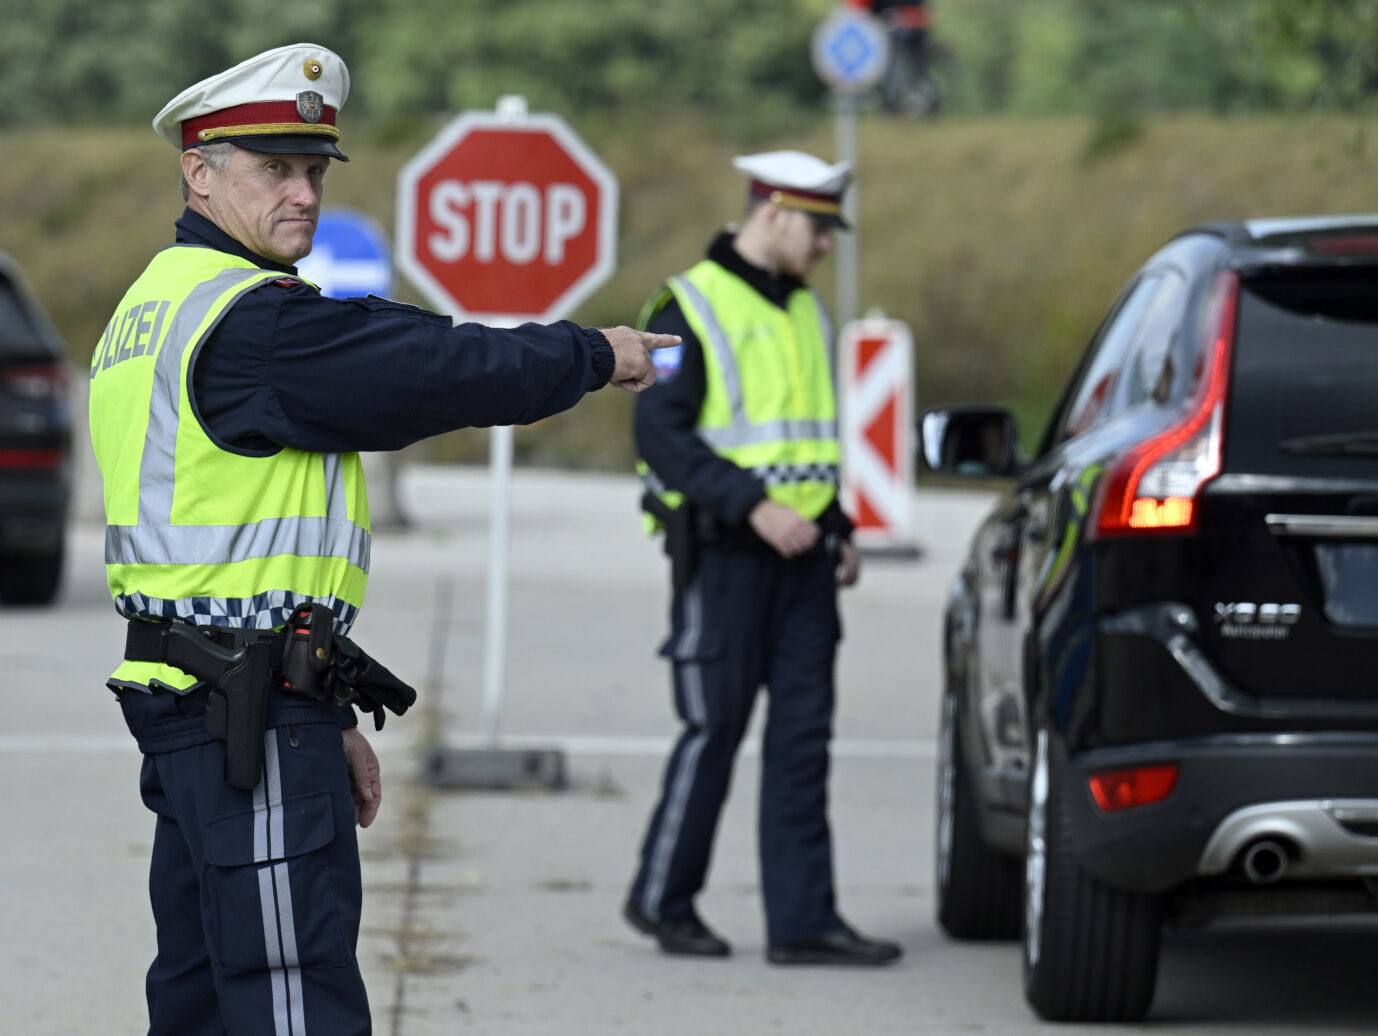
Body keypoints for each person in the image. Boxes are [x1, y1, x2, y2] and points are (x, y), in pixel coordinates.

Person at [87, 43, 674, 1034]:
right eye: (276, 169)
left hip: (211, 708)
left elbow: (237, 555)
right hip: (245, 726)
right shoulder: (249, 324)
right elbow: (428, 366)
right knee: (290, 1007)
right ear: (200, 170)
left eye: (314, 171)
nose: (305, 194)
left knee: (199, 1004)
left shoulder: (154, 303)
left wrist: (325, 714)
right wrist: (591, 353)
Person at [623, 150, 903, 967]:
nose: (826, 246)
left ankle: (803, 921)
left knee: (804, 739)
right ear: (773, 213)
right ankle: (662, 900)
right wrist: (755, 506)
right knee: (715, 730)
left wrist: (839, 525)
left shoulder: (807, 312)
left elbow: (810, 445)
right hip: (726, 557)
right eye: (818, 228)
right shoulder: (684, 308)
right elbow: (660, 435)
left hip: (806, 560)